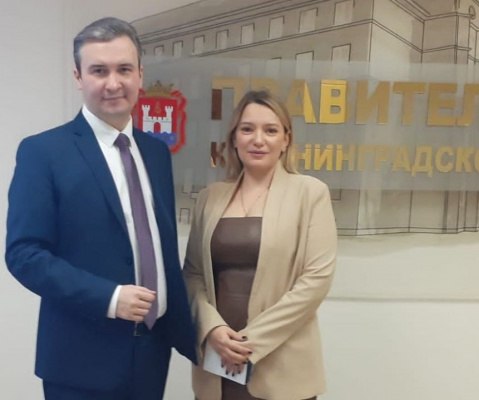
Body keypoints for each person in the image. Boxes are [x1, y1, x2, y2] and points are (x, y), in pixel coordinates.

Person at [5, 17, 196, 399]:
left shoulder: (156, 153)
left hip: (151, 355)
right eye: (99, 70)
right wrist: (109, 298)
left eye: (124, 69)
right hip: (80, 362)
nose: (113, 83)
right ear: (78, 76)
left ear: (140, 74)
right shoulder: (43, 152)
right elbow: (24, 255)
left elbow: (159, 248)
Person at [183, 90, 337, 400]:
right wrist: (212, 329)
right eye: (247, 129)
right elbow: (192, 273)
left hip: (282, 365)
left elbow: (316, 280)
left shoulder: (310, 193)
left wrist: (249, 343)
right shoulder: (209, 197)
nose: (258, 139)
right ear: (234, 138)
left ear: (285, 140)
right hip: (217, 359)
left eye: (270, 130)